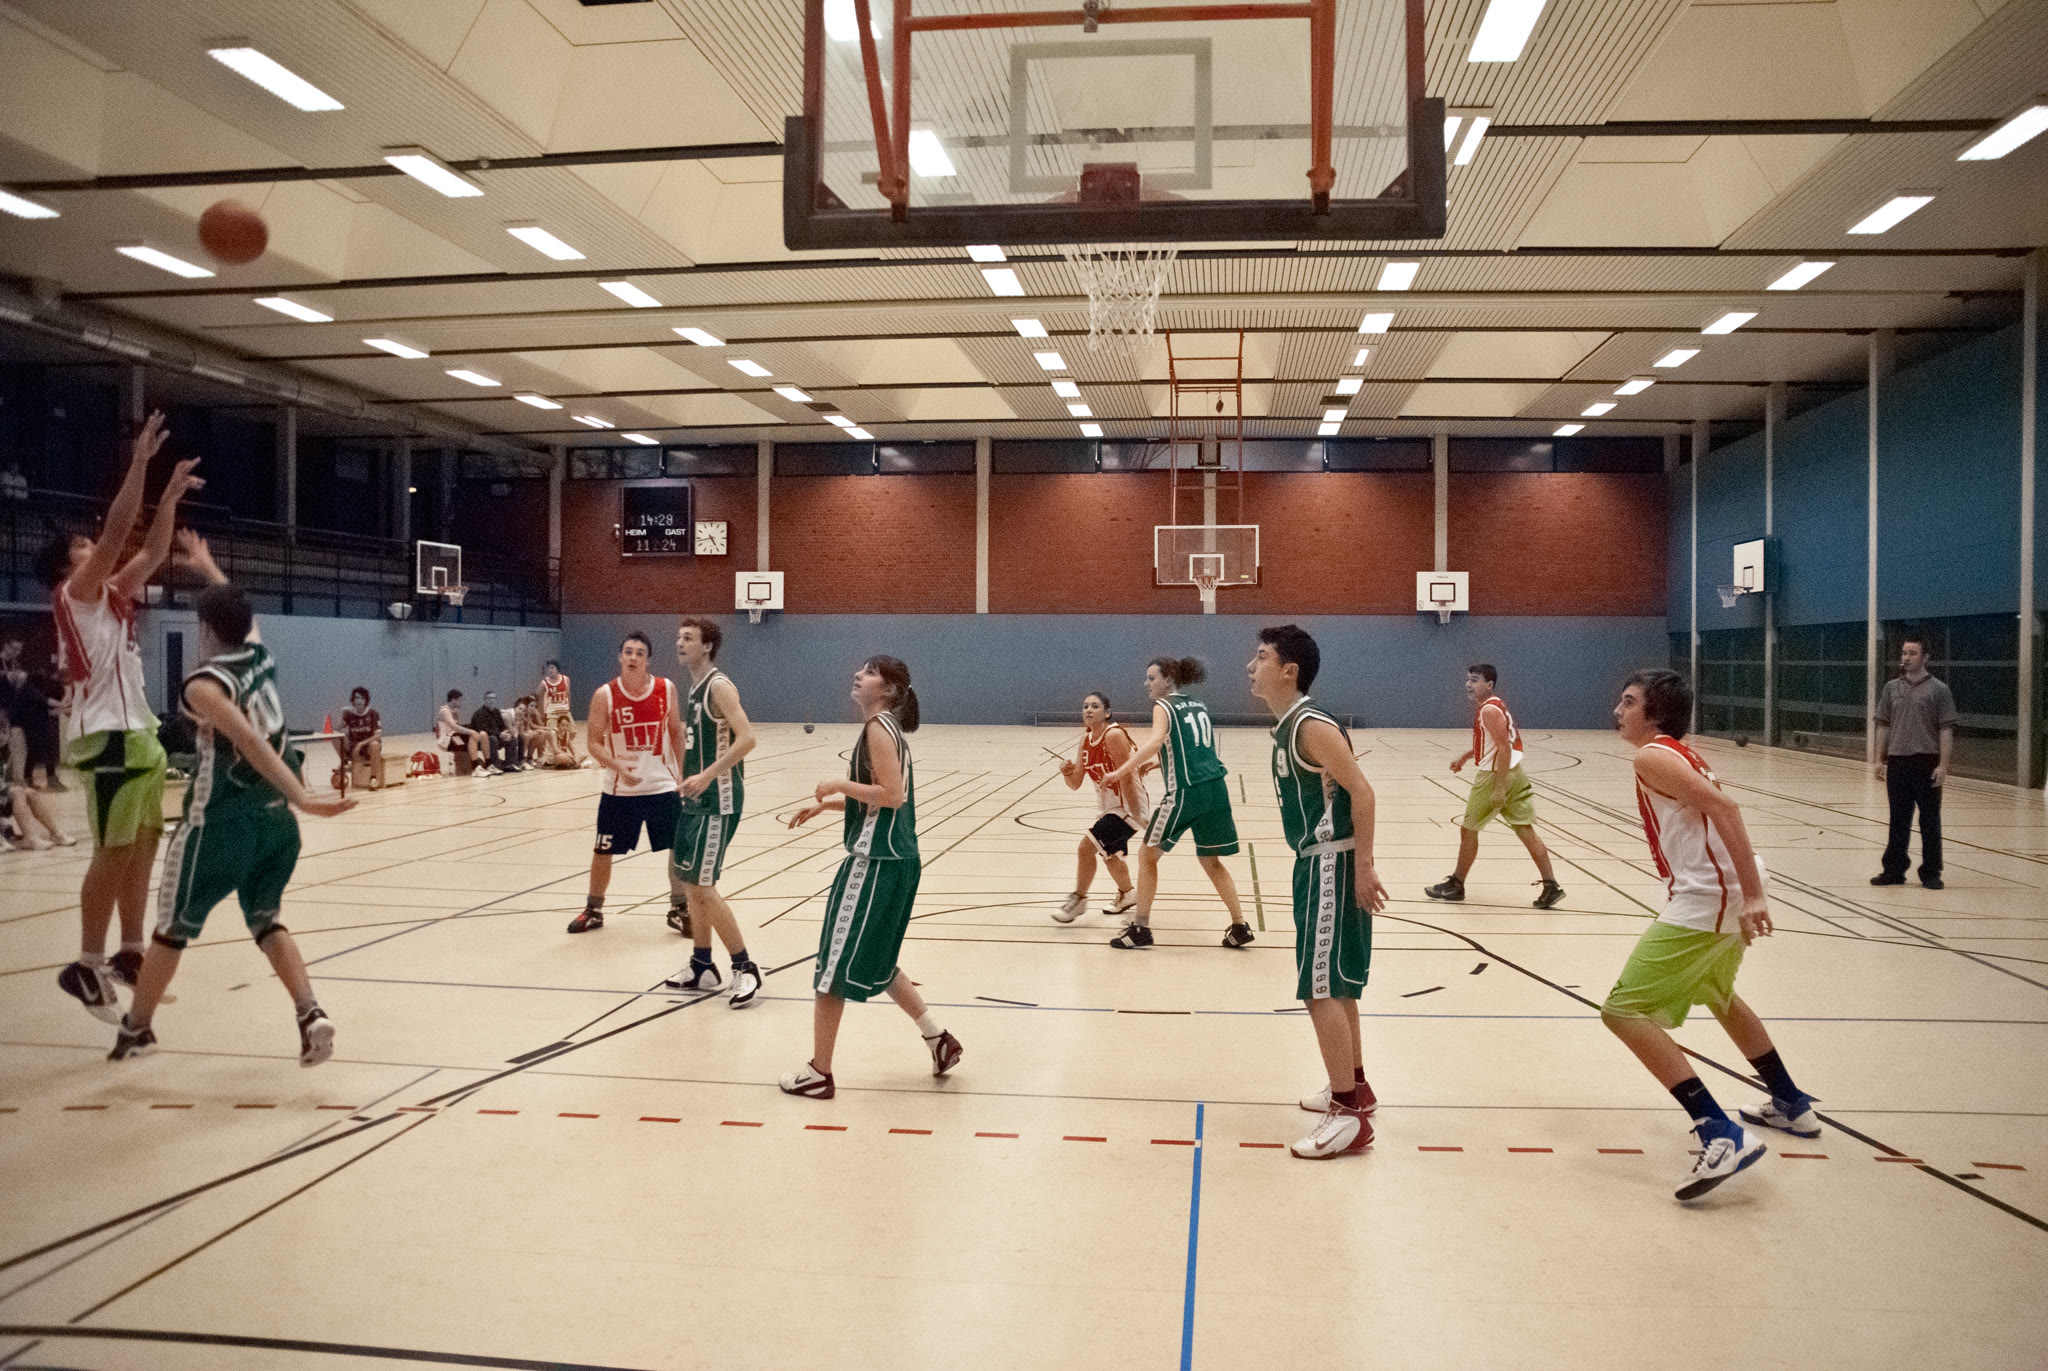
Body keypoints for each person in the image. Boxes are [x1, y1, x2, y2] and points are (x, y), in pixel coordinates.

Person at [110, 536, 354, 1064]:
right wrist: (208, 567)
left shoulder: (204, 687)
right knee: (267, 921)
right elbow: (241, 614)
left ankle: (137, 1029)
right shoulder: (258, 656)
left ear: (204, 629)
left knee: (171, 931)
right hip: (276, 827)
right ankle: (310, 1012)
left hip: (219, 824)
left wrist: (304, 797)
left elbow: (249, 741)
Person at [1603, 668, 1820, 1202]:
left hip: (1709, 897)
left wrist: (1752, 895)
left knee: (1622, 1011)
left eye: (1628, 702)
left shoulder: (1652, 756)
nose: (1618, 710)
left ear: (1655, 713)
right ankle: (1790, 1102)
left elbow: (1725, 807)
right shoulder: (1675, 753)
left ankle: (1719, 1132)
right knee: (1716, 992)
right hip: (1720, 891)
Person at [34, 411, 202, 1020]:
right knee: (111, 852)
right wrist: (139, 465)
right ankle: (84, 964)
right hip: (105, 737)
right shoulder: (76, 595)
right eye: (81, 547)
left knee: (141, 848)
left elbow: (152, 548)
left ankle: (130, 953)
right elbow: (118, 533)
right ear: (67, 567)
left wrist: (169, 496)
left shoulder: (112, 595)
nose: (94, 548)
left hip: (138, 735)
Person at [779, 656, 960, 1098]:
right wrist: (828, 806)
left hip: (875, 863)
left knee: (831, 967)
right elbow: (884, 799)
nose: (859, 675)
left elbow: (892, 795)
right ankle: (938, 1038)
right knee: (878, 962)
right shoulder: (887, 729)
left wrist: (838, 785)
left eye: (870, 671)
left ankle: (819, 1073)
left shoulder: (879, 728)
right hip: (900, 862)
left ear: (890, 689)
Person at [1247, 625, 1389, 1160]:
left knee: (1320, 988)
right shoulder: (1290, 726)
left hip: (1332, 860)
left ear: (1290, 671)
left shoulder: (1311, 726)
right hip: (1316, 861)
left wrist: (1363, 865)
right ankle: (1354, 1085)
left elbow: (1363, 792)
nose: (1251, 666)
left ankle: (1349, 1116)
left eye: (1262, 657)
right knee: (1337, 986)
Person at [1099, 656, 1252, 950]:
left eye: (1152, 678)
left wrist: (1121, 770)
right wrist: (1161, 763)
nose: (1147, 683)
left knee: (1147, 855)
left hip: (1187, 792)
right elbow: (1196, 747)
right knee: (1210, 860)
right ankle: (1239, 925)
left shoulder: (1164, 705)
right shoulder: (1197, 704)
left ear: (1168, 680)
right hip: (1216, 788)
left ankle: (1140, 928)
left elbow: (1156, 741)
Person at [660, 617, 763, 1006]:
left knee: (703, 885)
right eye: (678, 637)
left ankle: (744, 966)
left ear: (707, 646)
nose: (680, 642)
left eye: (688, 638)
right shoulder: (693, 686)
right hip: (695, 797)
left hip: (719, 799)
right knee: (690, 883)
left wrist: (707, 775)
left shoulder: (719, 686)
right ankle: (702, 963)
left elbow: (748, 738)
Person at [568, 632, 684, 934]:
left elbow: (676, 731)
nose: (633, 657)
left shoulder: (666, 689)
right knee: (603, 849)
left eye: (640, 653)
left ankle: (680, 908)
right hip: (620, 790)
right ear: (620, 657)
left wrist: (681, 774)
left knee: (678, 846)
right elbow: (593, 743)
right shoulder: (605, 695)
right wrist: (618, 766)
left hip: (662, 786)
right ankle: (593, 909)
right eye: (628, 652)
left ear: (648, 660)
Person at [1425, 664, 1564, 909]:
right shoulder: (1494, 705)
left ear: (1489, 685)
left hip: (1494, 776)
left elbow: (1504, 748)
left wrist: (1499, 788)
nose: (1468, 684)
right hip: (1515, 774)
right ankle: (1551, 885)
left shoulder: (1489, 710)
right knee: (1525, 829)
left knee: (1469, 829)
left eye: (1475, 680)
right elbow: (1494, 742)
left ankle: (1457, 884)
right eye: (1468, 679)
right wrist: (1466, 757)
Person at [1051, 691, 1146, 923]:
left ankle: (1078, 900)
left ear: (1107, 713)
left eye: (1095, 706)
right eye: (1085, 706)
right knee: (1110, 856)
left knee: (1086, 848)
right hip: (1108, 807)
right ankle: (1128, 894)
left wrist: (1138, 816)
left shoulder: (1113, 735)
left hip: (1127, 806)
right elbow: (1075, 783)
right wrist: (1066, 773)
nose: (1089, 710)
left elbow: (1126, 777)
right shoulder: (1085, 740)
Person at [1872, 633, 1955, 890]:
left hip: (1925, 762)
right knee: (1898, 818)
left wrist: (1943, 766)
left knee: (1929, 820)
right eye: (1904, 653)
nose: (1907, 658)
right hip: (1898, 762)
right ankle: (1894, 870)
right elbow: (1883, 726)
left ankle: (1931, 872)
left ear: (1925, 657)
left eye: (1913, 653)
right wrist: (1878, 759)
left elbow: (1945, 730)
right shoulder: (1891, 688)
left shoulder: (1939, 690)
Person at [0, 707, 75, 849]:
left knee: (30, 793)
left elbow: (11, 779)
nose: (2, 735)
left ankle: (56, 833)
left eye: (4, 730)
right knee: (17, 792)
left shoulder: (6, 752)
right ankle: (30, 838)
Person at [435, 689, 489, 773]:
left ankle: (488, 764)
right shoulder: (445, 711)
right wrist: (471, 732)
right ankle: (476, 768)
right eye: (460, 700)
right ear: (453, 699)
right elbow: (455, 727)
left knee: (482, 734)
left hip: (454, 736)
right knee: (471, 735)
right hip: (446, 740)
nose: (461, 703)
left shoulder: (454, 711)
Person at [341, 687, 384, 790]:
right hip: (353, 747)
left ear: (366, 701)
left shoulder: (373, 714)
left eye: (362, 698)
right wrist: (342, 716)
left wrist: (361, 744)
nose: (359, 701)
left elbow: (377, 736)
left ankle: (373, 779)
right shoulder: (349, 714)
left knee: (375, 744)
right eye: (356, 698)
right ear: (353, 700)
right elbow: (337, 728)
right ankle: (345, 762)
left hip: (367, 747)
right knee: (335, 737)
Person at [469, 690, 521, 771]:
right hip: (484, 740)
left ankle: (509, 764)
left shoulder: (496, 711)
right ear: (484, 699)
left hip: (497, 736)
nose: (491, 700)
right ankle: (495, 765)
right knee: (492, 739)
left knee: (511, 738)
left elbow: (502, 725)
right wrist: (499, 734)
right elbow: (483, 730)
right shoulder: (479, 713)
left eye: (493, 698)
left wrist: (505, 733)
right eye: (489, 698)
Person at [540, 660, 580, 766]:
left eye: (552, 667)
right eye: (548, 668)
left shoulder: (565, 679)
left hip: (564, 711)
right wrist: (542, 713)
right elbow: (538, 696)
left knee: (572, 732)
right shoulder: (545, 682)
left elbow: (568, 694)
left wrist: (568, 708)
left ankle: (562, 750)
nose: (550, 670)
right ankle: (552, 756)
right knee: (552, 734)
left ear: (557, 669)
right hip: (552, 712)